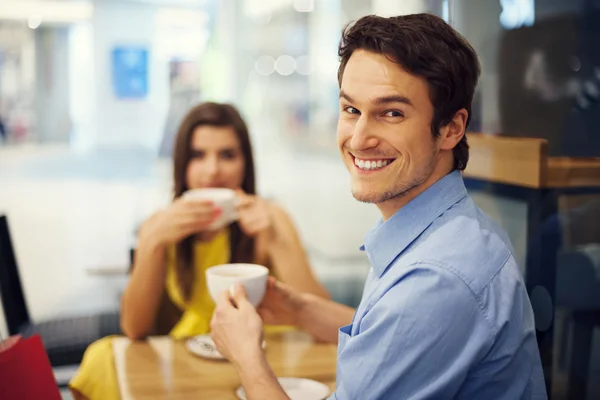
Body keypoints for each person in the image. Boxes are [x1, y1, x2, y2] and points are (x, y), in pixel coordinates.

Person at [210, 13, 547, 400]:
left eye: (391, 113)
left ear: (451, 128)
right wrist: (299, 309)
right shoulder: (456, 229)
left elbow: (415, 315)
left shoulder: (437, 279)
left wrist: (247, 357)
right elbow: (394, 335)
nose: (359, 139)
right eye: (351, 110)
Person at [69, 102, 329, 400]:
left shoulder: (270, 217)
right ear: (182, 164)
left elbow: (321, 321)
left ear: (246, 164)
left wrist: (273, 239)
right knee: (101, 357)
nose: (212, 170)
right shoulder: (161, 224)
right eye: (198, 155)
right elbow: (134, 327)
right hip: (195, 352)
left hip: (267, 356)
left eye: (227, 155)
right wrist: (152, 241)